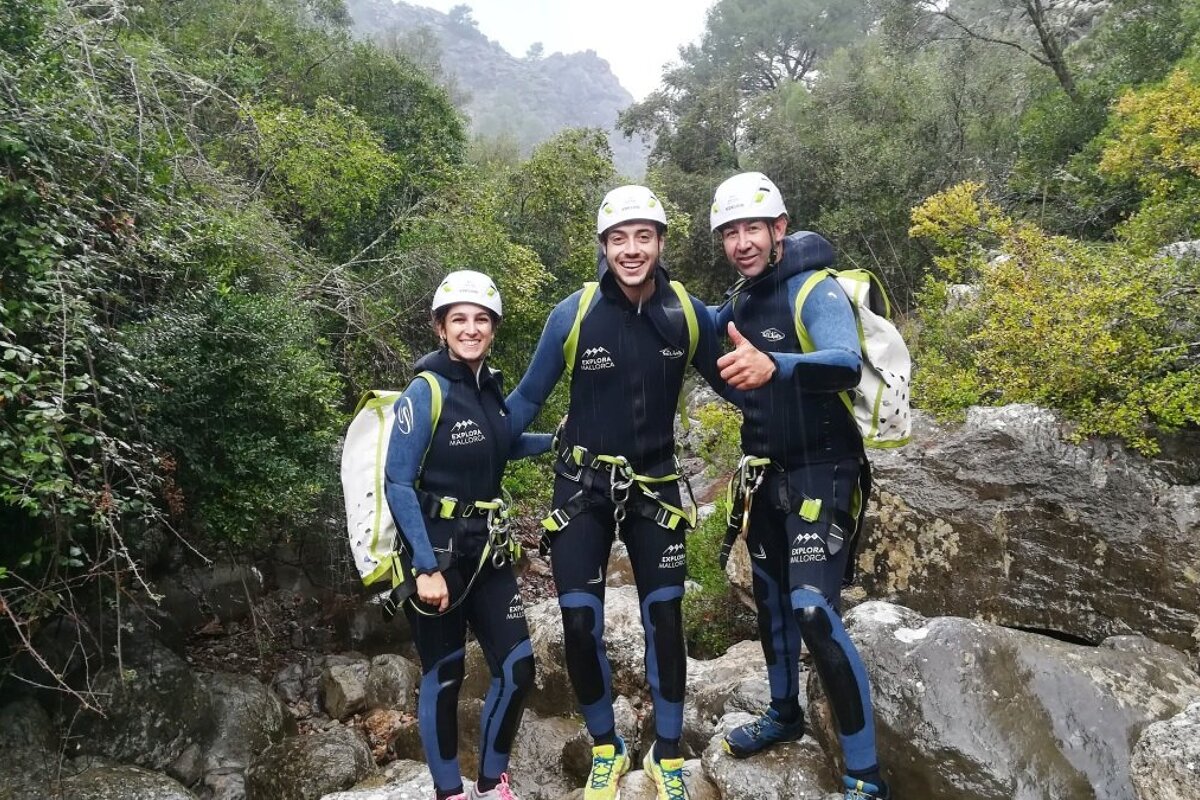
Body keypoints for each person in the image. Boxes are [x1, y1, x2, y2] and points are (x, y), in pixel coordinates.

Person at [507, 185, 747, 800]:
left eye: (643, 237)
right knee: (578, 622)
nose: (631, 249)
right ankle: (606, 748)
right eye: (619, 238)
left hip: (656, 489)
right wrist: (461, 438)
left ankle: (667, 751)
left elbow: (736, 386)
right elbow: (525, 402)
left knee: (664, 618)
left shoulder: (687, 313)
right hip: (580, 487)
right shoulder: (575, 314)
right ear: (604, 246)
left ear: (661, 242)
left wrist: (799, 394)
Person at [708, 172, 892, 800]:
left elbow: (843, 362)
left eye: (752, 228)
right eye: (730, 232)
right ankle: (784, 714)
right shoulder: (739, 303)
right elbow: (688, 329)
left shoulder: (814, 289)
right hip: (765, 475)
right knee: (772, 605)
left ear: (779, 228)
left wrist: (775, 364)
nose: (742, 243)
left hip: (825, 469)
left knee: (812, 607)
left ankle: (864, 775)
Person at [383, 270, 552, 800]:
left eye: (481, 319)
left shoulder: (489, 388)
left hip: (487, 551)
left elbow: (501, 443)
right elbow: (397, 481)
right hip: (436, 555)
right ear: (441, 327)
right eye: (459, 319)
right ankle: (448, 791)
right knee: (446, 673)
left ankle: (491, 782)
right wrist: (425, 567)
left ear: (493, 328)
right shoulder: (425, 390)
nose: (471, 328)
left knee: (517, 667)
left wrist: (557, 439)